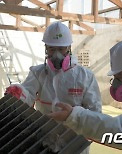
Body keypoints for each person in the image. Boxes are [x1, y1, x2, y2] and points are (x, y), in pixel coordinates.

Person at [5, 21, 102, 154]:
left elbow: (95, 113)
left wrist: (76, 119)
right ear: (46, 48)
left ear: (69, 48)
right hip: (44, 141)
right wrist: (19, 92)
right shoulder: (38, 73)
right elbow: (28, 94)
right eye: (52, 49)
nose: (57, 54)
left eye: (61, 49)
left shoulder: (85, 76)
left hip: (75, 143)